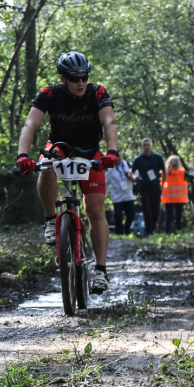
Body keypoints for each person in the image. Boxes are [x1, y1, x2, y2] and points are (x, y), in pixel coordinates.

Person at [16, 51, 120, 294]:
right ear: (63, 79)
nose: (81, 82)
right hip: (60, 148)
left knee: (95, 210)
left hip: (89, 151)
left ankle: (100, 271)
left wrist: (111, 152)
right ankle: (51, 220)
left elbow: (109, 123)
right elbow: (30, 124)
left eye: (84, 77)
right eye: (74, 78)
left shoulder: (98, 92)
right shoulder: (49, 93)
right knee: (47, 165)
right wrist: (23, 155)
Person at [131, 138, 165, 237]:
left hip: (155, 188)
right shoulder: (138, 159)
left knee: (156, 211)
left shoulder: (158, 158)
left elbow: (164, 170)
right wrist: (135, 178)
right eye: (144, 145)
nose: (146, 147)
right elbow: (131, 172)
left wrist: (162, 184)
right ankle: (149, 232)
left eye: (148, 145)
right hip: (144, 188)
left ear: (152, 145)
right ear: (142, 147)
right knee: (147, 211)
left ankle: (152, 230)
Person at [105, 151, 137, 236]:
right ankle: (119, 232)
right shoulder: (110, 169)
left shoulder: (129, 165)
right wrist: (103, 196)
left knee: (131, 215)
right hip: (117, 196)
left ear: (122, 156)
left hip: (128, 195)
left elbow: (136, 178)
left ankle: (126, 230)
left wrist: (133, 179)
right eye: (116, 157)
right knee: (118, 215)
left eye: (119, 156)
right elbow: (106, 182)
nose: (118, 159)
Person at [161, 154, 194, 234]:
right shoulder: (182, 172)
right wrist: (193, 168)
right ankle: (179, 232)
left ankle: (166, 233)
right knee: (178, 217)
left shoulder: (164, 172)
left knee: (168, 217)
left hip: (168, 198)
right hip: (179, 198)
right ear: (178, 162)